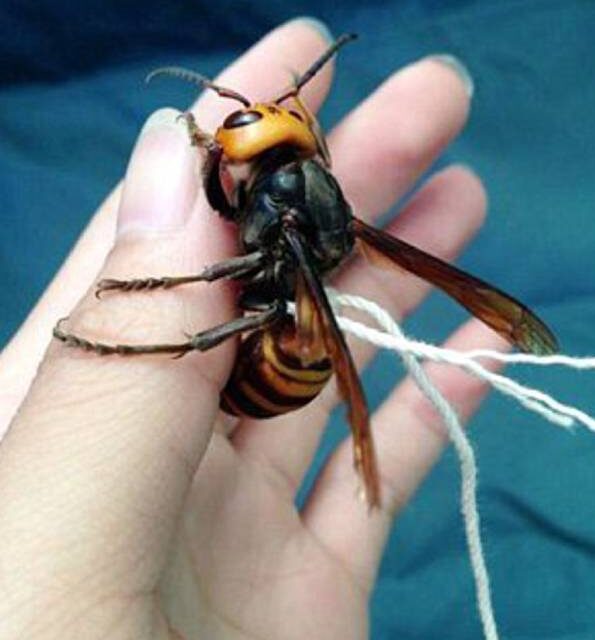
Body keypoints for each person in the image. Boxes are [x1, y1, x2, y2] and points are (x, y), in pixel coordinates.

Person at [0, 19, 499, 638]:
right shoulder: (289, 194)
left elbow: (233, 226)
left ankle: (174, 338)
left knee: (273, 306)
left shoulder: (287, 209)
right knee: (278, 302)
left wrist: (155, 287)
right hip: (284, 352)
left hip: (277, 366)